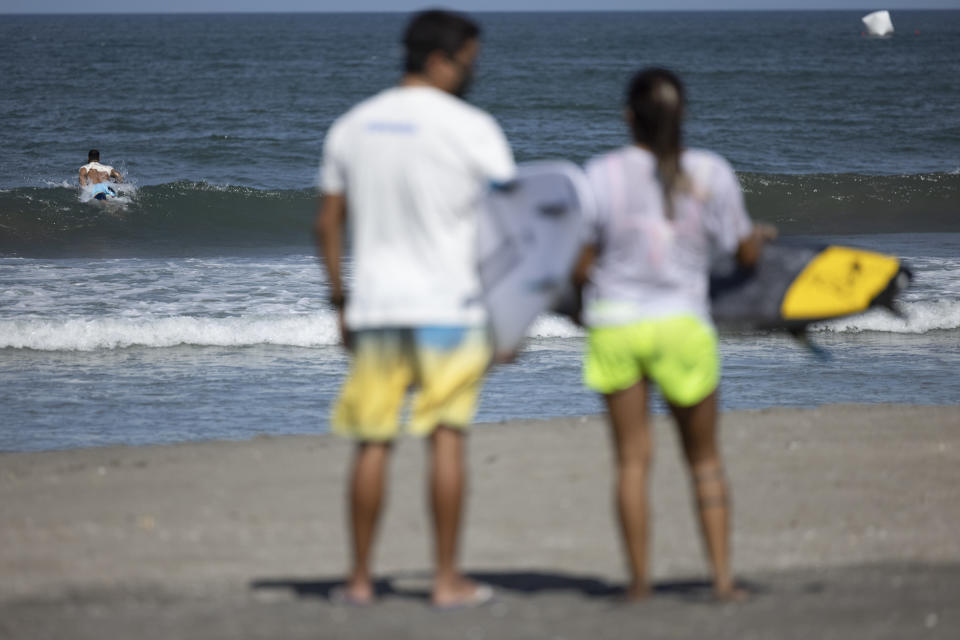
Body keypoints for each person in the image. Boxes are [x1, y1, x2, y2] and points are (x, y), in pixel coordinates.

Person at [314, 9, 515, 608]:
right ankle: (446, 580)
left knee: (372, 442)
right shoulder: (473, 127)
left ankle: (358, 581)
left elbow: (328, 222)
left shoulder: (353, 125)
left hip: (377, 308)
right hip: (450, 311)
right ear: (438, 60)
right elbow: (507, 227)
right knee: (447, 438)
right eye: (469, 62)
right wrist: (511, 312)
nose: (474, 74)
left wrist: (340, 303)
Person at [572, 68, 776, 601]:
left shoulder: (600, 173)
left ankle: (639, 585)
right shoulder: (710, 171)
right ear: (683, 115)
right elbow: (744, 253)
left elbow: (580, 263)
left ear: (628, 117)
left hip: (616, 326)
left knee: (632, 462)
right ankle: (723, 582)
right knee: (704, 458)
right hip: (682, 326)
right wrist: (757, 236)